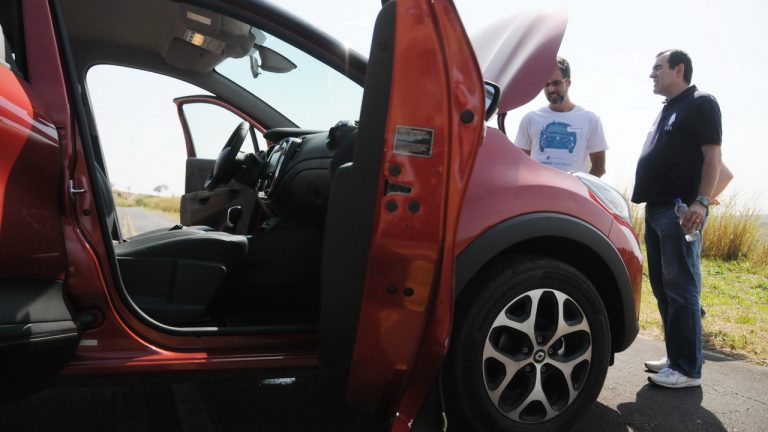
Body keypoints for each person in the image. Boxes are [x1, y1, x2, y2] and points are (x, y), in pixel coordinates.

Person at [632, 49, 722, 389]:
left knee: (681, 289)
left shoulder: (701, 103)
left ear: (679, 69)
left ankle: (687, 369)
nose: (652, 74)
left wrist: (701, 202)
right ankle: (676, 357)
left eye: (658, 67)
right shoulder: (669, 108)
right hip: (656, 209)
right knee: (663, 288)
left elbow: (713, 158)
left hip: (680, 211)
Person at [514, 56, 608, 177]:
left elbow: (599, 168)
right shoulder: (530, 119)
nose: (551, 89)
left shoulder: (590, 119)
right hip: (539, 188)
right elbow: (520, 163)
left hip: (572, 189)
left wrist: (580, 187)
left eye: (556, 83)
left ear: (568, 82)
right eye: (546, 84)